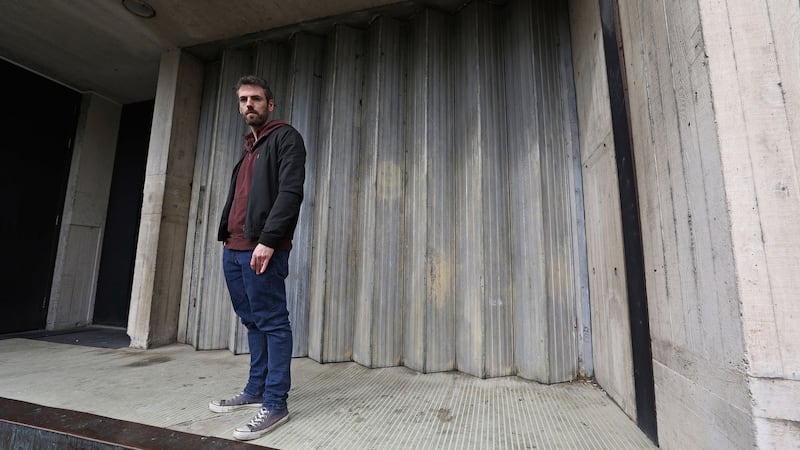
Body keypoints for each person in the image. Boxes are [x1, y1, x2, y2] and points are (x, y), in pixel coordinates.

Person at [208, 75, 306, 441]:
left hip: (260, 248)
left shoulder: (285, 138)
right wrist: (226, 240)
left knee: (273, 323)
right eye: (243, 99)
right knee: (252, 322)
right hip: (233, 249)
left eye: (256, 98)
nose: (249, 104)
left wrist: (268, 241)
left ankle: (276, 403)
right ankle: (256, 389)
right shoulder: (249, 148)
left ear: (270, 104)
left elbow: (290, 193)